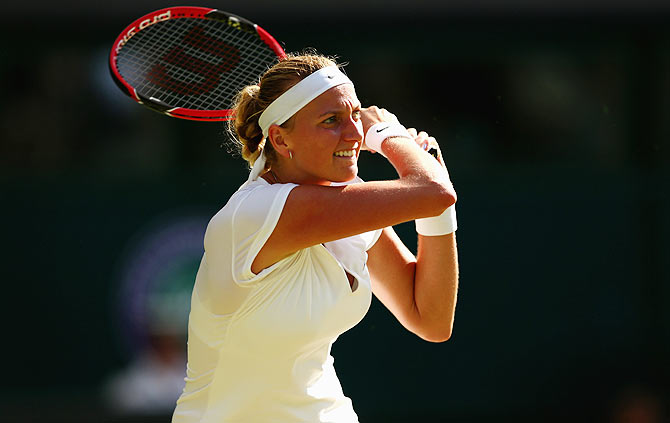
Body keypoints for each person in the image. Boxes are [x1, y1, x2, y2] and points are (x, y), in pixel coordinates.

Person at [172, 53, 459, 423]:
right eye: (331, 121)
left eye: (357, 115)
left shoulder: (347, 202)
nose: (355, 134)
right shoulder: (258, 214)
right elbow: (432, 191)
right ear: (279, 138)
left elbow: (431, 319)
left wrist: (440, 206)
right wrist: (389, 135)